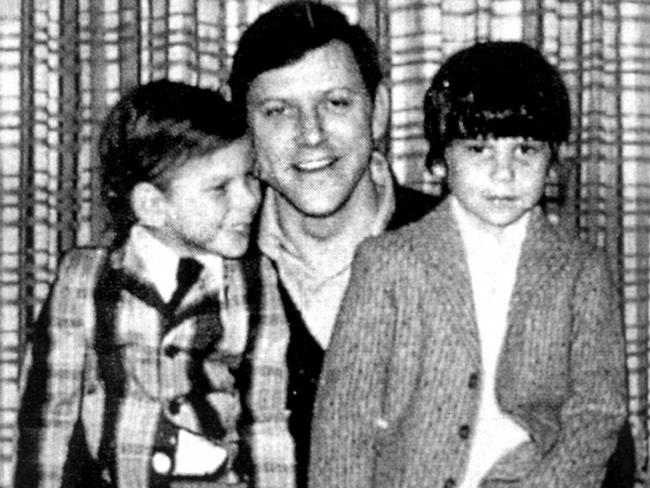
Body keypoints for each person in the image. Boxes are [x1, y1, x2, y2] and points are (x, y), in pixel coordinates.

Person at [309, 41, 627, 488]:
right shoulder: (388, 262)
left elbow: (597, 410)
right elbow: (345, 419)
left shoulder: (582, 269)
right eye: (478, 149)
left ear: (553, 161)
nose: (504, 173)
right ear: (440, 161)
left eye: (526, 150)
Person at [227, 2, 440, 487]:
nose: (311, 135)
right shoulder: (205, 257)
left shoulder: (460, 245)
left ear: (379, 110)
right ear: (245, 127)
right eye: (278, 111)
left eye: (336, 103)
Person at [14, 79, 260, 488]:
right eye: (221, 188)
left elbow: (266, 423)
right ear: (152, 205)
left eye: (249, 177)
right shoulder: (84, 279)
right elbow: (48, 416)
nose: (251, 199)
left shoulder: (254, 281)